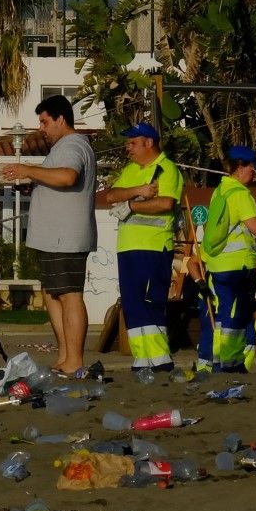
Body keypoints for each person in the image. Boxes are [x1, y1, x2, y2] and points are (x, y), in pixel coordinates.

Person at [1, 95, 98, 377]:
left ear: (61, 119)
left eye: (45, 121)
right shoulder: (63, 147)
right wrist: (36, 185)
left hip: (65, 236)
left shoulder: (73, 144)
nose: (41, 128)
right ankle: (66, 356)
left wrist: (27, 170)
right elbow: (58, 179)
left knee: (69, 295)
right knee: (53, 295)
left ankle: (75, 360)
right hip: (53, 237)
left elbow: (68, 177)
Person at [95, 122, 184, 376]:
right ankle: (142, 360)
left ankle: (161, 360)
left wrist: (132, 206)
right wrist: (138, 192)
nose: (128, 147)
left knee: (149, 301)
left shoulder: (166, 169)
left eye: (133, 142)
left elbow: (166, 203)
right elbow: (111, 195)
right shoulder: (132, 170)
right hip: (128, 246)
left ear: (149, 142)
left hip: (154, 246)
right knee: (132, 303)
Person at [190, 145, 256, 373]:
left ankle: (220, 364)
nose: (255, 172)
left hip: (218, 267)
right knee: (234, 320)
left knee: (223, 320)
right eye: (252, 167)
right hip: (237, 269)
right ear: (240, 167)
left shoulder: (220, 191)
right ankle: (230, 365)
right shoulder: (240, 194)